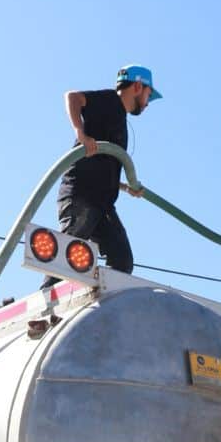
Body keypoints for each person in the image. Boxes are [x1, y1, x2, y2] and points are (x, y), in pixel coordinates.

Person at [42, 64, 162, 287]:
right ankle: (44, 306)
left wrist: (127, 187)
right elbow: (73, 97)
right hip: (81, 196)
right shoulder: (109, 101)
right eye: (148, 95)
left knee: (122, 260)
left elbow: (103, 168)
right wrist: (81, 133)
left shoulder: (119, 120)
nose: (147, 103)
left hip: (103, 203)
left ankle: (92, 296)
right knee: (65, 257)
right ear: (137, 86)